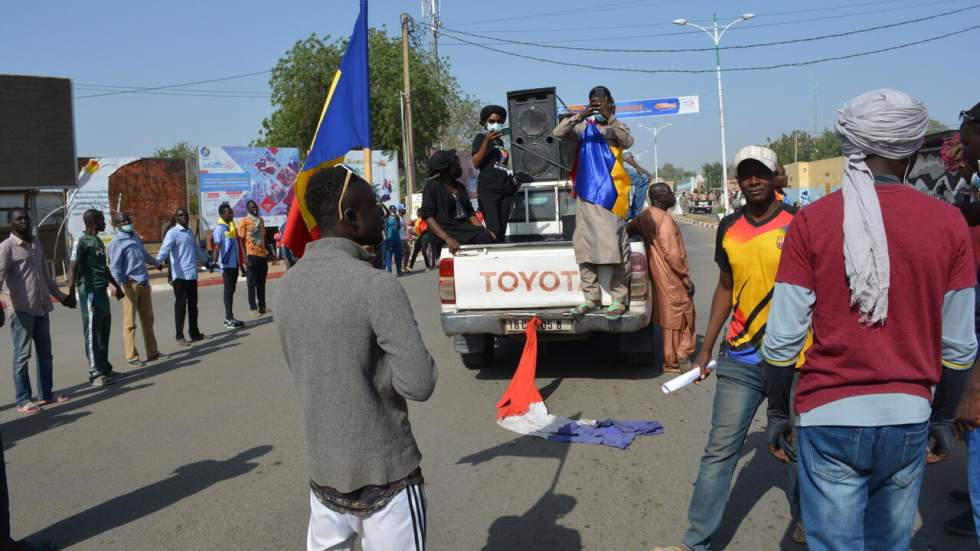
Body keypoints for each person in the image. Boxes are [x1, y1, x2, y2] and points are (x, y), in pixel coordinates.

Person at [762, 89, 977, 551]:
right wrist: (942, 420)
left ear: (851, 144)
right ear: (912, 147)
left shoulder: (811, 221)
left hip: (828, 416)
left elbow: (781, 341)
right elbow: (959, 346)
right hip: (908, 415)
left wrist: (778, 411)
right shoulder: (948, 223)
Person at [276, 165, 437, 551]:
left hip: (324, 476)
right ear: (351, 218)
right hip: (388, 477)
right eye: (375, 207)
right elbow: (420, 383)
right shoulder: (377, 285)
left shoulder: (287, 286)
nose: (382, 216)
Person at [653, 145, 805, 551]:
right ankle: (695, 543)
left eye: (761, 173)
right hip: (739, 357)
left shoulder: (800, 222)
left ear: (775, 178)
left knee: (796, 449)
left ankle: (806, 524)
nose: (752, 180)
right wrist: (705, 350)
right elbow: (725, 286)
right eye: (746, 174)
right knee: (719, 452)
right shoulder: (728, 226)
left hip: (795, 361)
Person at [553, 85, 634, 320]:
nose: (597, 104)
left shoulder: (616, 127)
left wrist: (610, 118)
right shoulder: (582, 127)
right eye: (593, 101)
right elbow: (558, 133)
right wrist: (582, 114)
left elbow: (628, 141)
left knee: (617, 247)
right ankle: (591, 298)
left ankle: (619, 299)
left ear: (610, 102)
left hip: (611, 196)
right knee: (584, 246)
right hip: (587, 195)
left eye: (601, 101)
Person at [0, 208, 76, 414]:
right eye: (18, 219)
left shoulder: (35, 243)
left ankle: (45, 394)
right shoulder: (6, 248)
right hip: (21, 310)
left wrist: (63, 297)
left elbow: (45, 277)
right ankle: (23, 399)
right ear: (10, 223)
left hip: (41, 307)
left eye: (26, 217)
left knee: (45, 354)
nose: (24, 221)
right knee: (22, 356)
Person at [626, 183, 695, 373]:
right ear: (659, 197)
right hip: (671, 275)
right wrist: (685, 277)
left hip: (657, 273)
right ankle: (676, 358)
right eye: (668, 193)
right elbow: (672, 253)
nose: (672, 196)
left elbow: (627, 230)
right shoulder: (664, 220)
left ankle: (674, 357)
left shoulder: (644, 216)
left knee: (670, 317)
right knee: (681, 315)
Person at [67, 209, 125, 387]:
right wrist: (70, 292)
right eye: (101, 220)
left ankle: (105, 368)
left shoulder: (98, 240)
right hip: (89, 293)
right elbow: (73, 266)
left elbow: (104, 268)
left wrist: (116, 286)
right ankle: (95, 372)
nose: (105, 222)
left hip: (102, 292)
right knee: (92, 333)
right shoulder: (81, 241)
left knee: (103, 332)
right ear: (93, 222)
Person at [108, 212, 164, 368]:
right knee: (130, 323)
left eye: (128, 220)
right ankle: (132, 356)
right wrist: (116, 286)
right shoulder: (117, 242)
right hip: (129, 285)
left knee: (148, 320)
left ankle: (152, 352)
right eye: (123, 221)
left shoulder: (135, 237)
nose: (127, 223)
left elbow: (144, 255)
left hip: (143, 283)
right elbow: (114, 267)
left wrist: (156, 263)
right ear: (117, 225)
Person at [420, 150, 495, 257]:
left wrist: (484, 230)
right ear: (446, 169)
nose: (460, 168)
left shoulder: (460, 187)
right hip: (445, 230)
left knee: (486, 237)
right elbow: (428, 217)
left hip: (462, 228)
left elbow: (470, 214)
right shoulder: (431, 187)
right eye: (457, 165)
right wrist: (447, 238)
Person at [157, 208, 212, 347]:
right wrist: (158, 261)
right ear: (176, 218)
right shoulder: (173, 233)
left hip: (191, 274)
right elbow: (165, 249)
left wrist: (206, 261)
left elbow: (197, 250)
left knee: (193, 306)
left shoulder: (189, 233)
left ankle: (194, 333)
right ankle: (179, 336)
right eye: (181, 216)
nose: (185, 217)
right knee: (181, 307)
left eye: (186, 215)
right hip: (179, 276)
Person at [472, 105, 519, 242]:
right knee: (494, 229)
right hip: (489, 190)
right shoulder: (481, 138)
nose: (495, 124)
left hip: (504, 191)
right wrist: (487, 141)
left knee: (502, 230)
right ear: (485, 122)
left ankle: (500, 257)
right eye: (492, 121)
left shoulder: (500, 142)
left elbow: (502, 165)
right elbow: (476, 162)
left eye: (499, 121)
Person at [213, 203, 246, 329]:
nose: (231, 214)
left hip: (234, 265)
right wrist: (214, 262)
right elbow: (217, 247)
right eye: (229, 212)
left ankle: (230, 317)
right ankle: (228, 319)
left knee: (231, 291)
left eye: (231, 211)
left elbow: (237, 247)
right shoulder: (220, 229)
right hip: (226, 266)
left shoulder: (231, 227)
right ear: (222, 214)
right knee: (228, 291)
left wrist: (241, 264)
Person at [238, 200, 270, 316]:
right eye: (252, 207)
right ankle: (253, 308)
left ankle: (262, 306)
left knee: (262, 282)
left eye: (255, 207)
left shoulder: (261, 221)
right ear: (248, 209)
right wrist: (245, 258)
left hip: (262, 256)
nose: (254, 209)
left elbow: (263, 237)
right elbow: (240, 240)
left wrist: (266, 250)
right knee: (252, 283)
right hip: (251, 255)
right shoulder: (244, 221)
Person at [624, 151, 653, 219]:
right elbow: (626, 155)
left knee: (643, 178)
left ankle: (633, 214)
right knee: (643, 178)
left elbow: (625, 154)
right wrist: (640, 168)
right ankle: (634, 214)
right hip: (611, 170)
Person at [383, 205, 403, 276]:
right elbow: (385, 230)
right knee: (389, 257)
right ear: (390, 210)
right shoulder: (386, 218)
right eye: (392, 209)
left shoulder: (397, 217)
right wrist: (386, 239)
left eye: (394, 209)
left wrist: (397, 223)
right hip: (389, 239)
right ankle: (389, 273)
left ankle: (399, 271)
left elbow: (399, 227)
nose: (394, 210)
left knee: (398, 257)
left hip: (397, 239)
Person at [399, 205, 413, 272]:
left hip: (404, 238)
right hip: (399, 239)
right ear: (400, 210)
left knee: (407, 252)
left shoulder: (403, 218)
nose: (405, 210)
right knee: (402, 253)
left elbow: (404, 228)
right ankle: (401, 268)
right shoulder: (397, 218)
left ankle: (404, 267)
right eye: (403, 209)